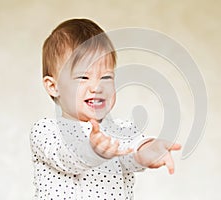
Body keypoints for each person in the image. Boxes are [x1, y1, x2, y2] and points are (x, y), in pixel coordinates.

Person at [30, 18, 181, 199]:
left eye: (106, 77)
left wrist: (148, 150)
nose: (96, 87)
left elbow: (132, 152)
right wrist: (93, 150)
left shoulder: (118, 131)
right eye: (83, 78)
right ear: (53, 86)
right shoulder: (46, 131)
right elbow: (66, 157)